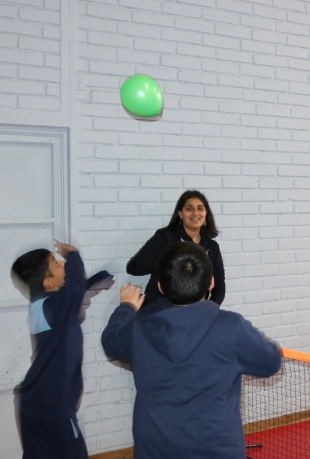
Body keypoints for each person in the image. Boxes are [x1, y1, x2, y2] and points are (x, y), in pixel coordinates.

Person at [102, 242, 282, 459]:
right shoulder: (231, 327)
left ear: (160, 286)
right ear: (211, 283)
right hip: (216, 450)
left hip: (155, 450)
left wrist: (126, 308)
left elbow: (110, 341)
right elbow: (271, 361)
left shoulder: (138, 328)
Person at [12, 241, 109, 459]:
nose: (63, 264)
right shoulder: (54, 308)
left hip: (33, 406)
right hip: (54, 410)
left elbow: (72, 295)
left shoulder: (41, 306)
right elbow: (72, 293)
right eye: (56, 264)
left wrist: (96, 279)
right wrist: (74, 255)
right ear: (47, 282)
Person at [127, 190, 225, 306]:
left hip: (195, 313)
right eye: (189, 209)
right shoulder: (165, 237)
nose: (195, 213)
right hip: (159, 311)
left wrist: (208, 310)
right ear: (180, 214)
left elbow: (219, 289)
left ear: (206, 214)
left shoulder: (212, 247)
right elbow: (133, 267)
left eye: (200, 208)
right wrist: (170, 264)